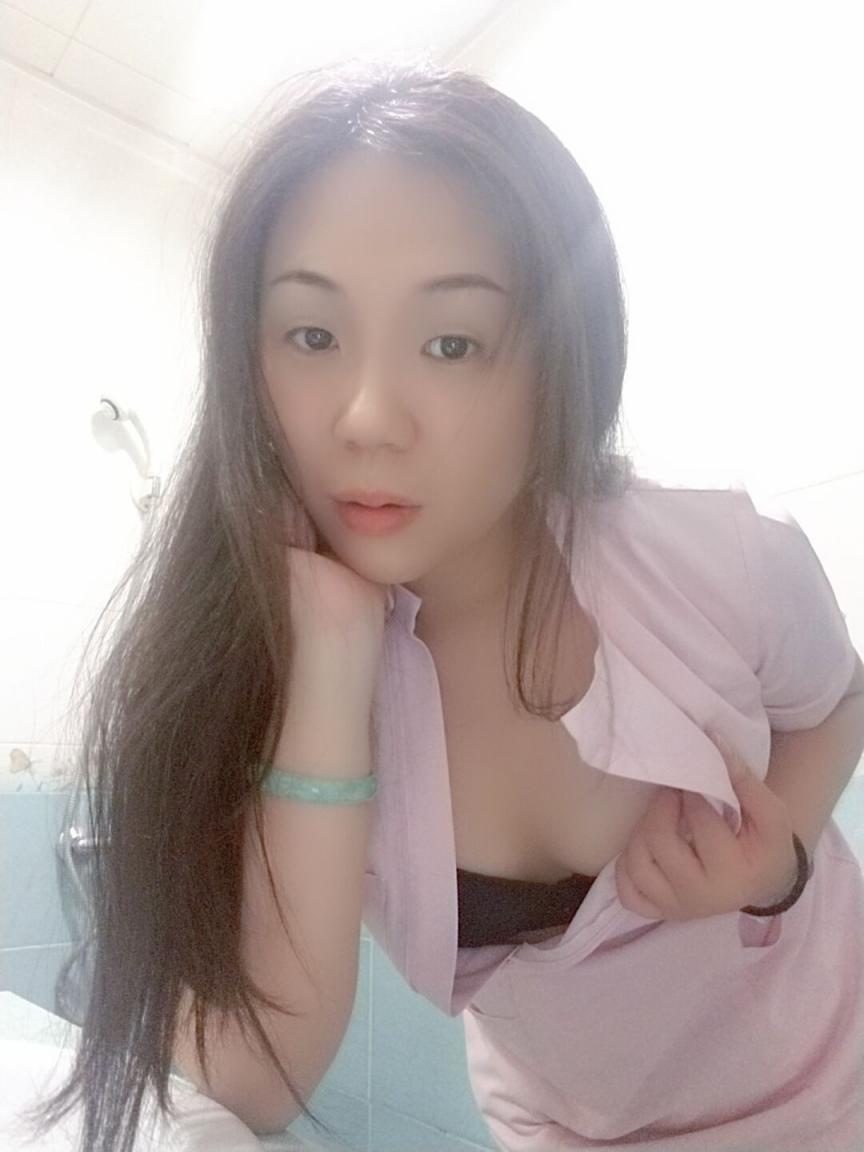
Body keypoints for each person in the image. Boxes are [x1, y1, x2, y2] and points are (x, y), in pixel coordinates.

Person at [21, 60, 864, 1152]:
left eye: (453, 342)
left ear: (557, 358)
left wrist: (779, 854)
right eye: (312, 336)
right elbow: (257, 1084)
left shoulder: (719, 558)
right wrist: (330, 659)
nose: (368, 417)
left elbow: (836, 701)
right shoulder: (269, 674)